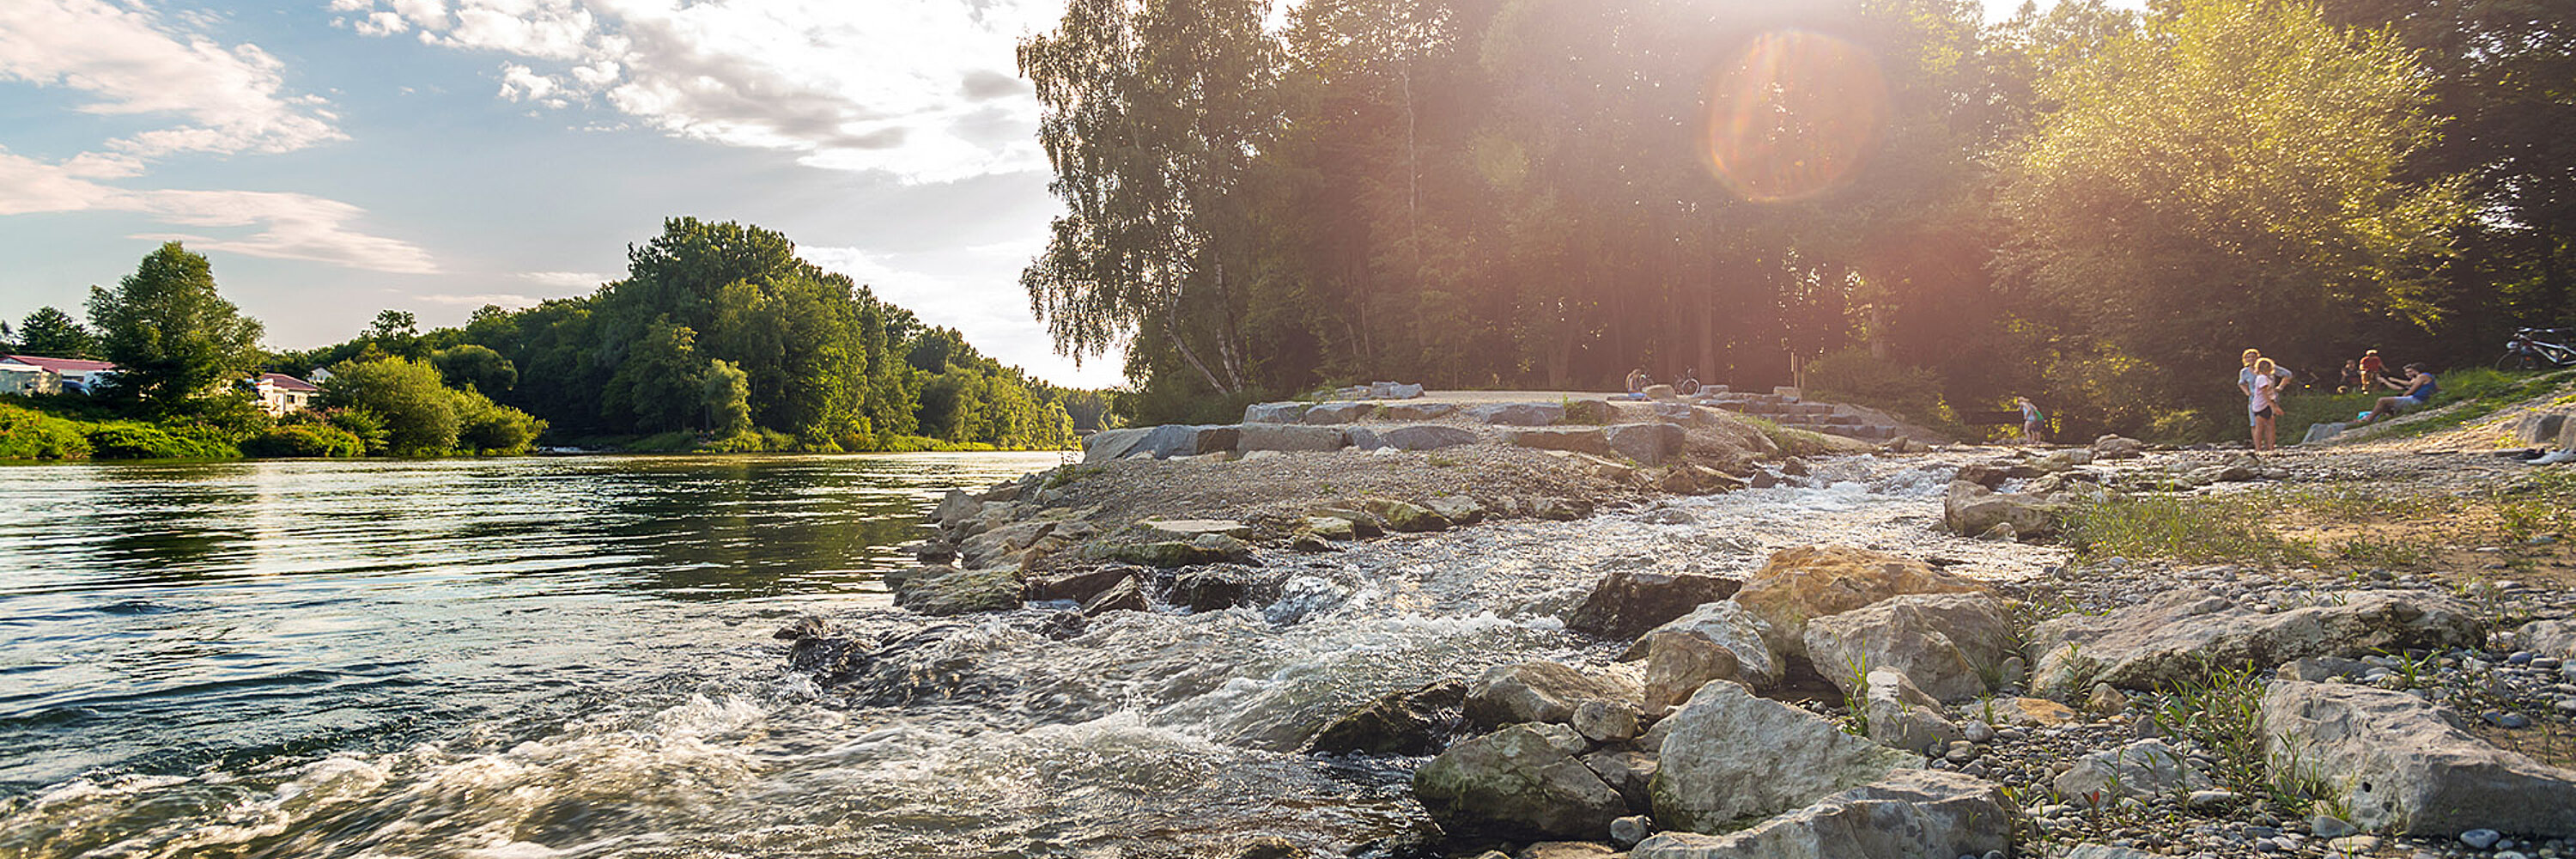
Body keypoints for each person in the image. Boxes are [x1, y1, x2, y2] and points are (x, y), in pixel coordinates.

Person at [2355, 363, 2437, 424]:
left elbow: (2412, 389)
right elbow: (2437, 388)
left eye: (2412, 371)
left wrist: (2403, 397)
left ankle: (2368, 420)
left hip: (2417, 399)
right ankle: (2369, 418)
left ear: (2416, 370)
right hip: (2418, 398)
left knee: (2382, 400)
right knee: (2387, 405)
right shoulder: (2429, 376)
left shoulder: (2421, 377)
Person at [2247, 357, 2281, 451]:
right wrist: (2273, 406)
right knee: (2266, 428)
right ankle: (2265, 448)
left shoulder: (2262, 378)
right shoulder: (2263, 378)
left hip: (2260, 405)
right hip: (2263, 405)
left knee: (2264, 427)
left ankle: (2265, 448)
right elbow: (2265, 393)